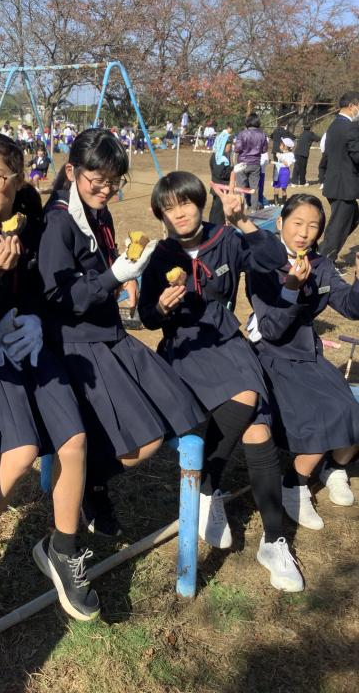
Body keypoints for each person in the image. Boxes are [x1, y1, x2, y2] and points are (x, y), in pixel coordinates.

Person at [0, 132, 99, 626]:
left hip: (31, 343)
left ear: (18, 177)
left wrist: (36, 318)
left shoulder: (36, 222)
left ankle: (63, 548)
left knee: (74, 441)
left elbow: (47, 288)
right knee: (19, 453)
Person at [138, 171, 303, 592]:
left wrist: (244, 220)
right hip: (185, 347)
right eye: (169, 208)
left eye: (186, 203)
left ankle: (267, 535)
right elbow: (147, 318)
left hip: (226, 338)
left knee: (258, 426)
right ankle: (214, 492)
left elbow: (274, 260)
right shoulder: (159, 256)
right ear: (160, 215)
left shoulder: (225, 238)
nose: (179, 214)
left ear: (199, 203)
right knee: (248, 401)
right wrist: (161, 307)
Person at [38, 129, 204, 537]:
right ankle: (89, 482)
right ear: (72, 171)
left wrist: (123, 276)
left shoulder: (99, 213)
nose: (107, 190)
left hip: (108, 330)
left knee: (178, 406)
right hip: (78, 342)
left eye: (115, 182)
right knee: (144, 440)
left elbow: (102, 266)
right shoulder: (58, 221)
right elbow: (58, 297)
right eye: (98, 181)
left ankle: (90, 477)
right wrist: (112, 276)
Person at [247, 194, 359, 530]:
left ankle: (333, 468)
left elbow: (349, 306)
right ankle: (294, 484)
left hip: (308, 352)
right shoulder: (264, 263)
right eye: (297, 223)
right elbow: (271, 328)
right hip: (274, 354)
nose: (304, 233)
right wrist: (291, 288)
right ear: (280, 222)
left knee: (351, 413)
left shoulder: (320, 265)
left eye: (313, 226)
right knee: (318, 417)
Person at [319, 91, 359, 263]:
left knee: (352, 217)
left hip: (335, 183)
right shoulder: (350, 127)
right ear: (352, 106)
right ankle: (324, 261)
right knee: (338, 226)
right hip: (344, 185)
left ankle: (324, 251)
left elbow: (327, 155)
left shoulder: (334, 125)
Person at [234, 113, 269, 211]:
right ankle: (254, 209)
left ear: (248, 121)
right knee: (254, 187)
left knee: (240, 187)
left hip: (242, 163)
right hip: (255, 163)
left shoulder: (242, 133)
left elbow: (237, 149)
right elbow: (264, 150)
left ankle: (242, 206)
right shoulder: (262, 134)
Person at [208, 126, 234, 224]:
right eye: (229, 145)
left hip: (218, 186)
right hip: (221, 187)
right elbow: (220, 173)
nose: (230, 148)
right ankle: (216, 227)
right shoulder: (221, 158)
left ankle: (213, 225)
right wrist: (233, 170)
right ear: (223, 145)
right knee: (218, 211)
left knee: (216, 209)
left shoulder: (217, 155)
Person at [272, 137, 296, 205]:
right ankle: (276, 202)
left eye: (281, 145)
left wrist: (280, 157)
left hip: (284, 172)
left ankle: (283, 203)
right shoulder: (281, 154)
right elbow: (279, 164)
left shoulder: (290, 155)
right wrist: (271, 162)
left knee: (283, 188)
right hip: (277, 171)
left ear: (285, 146)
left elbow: (287, 164)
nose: (279, 146)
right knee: (276, 187)